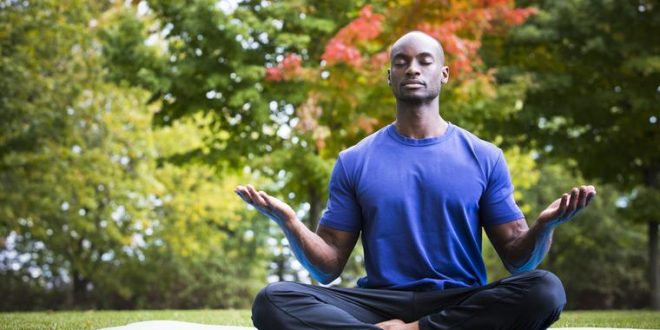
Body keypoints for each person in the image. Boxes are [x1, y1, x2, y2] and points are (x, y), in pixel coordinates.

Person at [234, 31, 596, 330]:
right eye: (401, 61)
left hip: (457, 300)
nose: (412, 68)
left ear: (444, 73)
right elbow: (327, 268)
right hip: (378, 301)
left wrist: (545, 226)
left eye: (425, 60)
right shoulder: (354, 160)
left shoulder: (484, 156)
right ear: (389, 75)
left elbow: (519, 261)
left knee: (545, 290)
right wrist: (290, 222)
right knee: (273, 301)